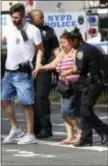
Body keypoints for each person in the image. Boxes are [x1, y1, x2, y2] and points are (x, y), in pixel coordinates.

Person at [1, 3, 44, 144]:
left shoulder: (33, 30)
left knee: (26, 103)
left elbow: (40, 49)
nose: (14, 20)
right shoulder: (8, 28)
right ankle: (16, 128)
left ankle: (30, 134)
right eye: (12, 17)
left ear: (24, 16)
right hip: (8, 71)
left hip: (23, 72)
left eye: (17, 18)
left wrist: (37, 64)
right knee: (4, 101)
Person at [33, 31, 82, 144]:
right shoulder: (61, 54)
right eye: (60, 43)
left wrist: (68, 71)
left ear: (70, 42)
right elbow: (53, 65)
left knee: (68, 111)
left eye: (64, 43)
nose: (62, 45)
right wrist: (40, 68)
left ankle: (80, 131)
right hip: (63, 86)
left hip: (73, 85)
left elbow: (79, 67)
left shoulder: (75, 53)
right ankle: (70, 136)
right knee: (64, 112)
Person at [68, 27, 108, 146]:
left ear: (76, 40)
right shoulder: (89, 47)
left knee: (85, 110)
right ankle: (86, 138)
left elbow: (79, 69)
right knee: (85, 110)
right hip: (94, 82)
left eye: (71, 42)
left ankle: (104, 130)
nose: (71, 45)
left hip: (93, 83)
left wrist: (67, 71)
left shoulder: (81, 51)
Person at [29, 9, 60, 138]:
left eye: (43, 16)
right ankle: (34, 129)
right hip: (28, 67)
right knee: (30, 99)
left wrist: (59, 65)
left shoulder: (49, 31)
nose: (42, 19)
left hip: (43, 67)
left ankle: (46, 128)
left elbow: (56, 49)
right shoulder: (26, 30)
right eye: (40, 17)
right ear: (32, 19)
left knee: (41, 97)